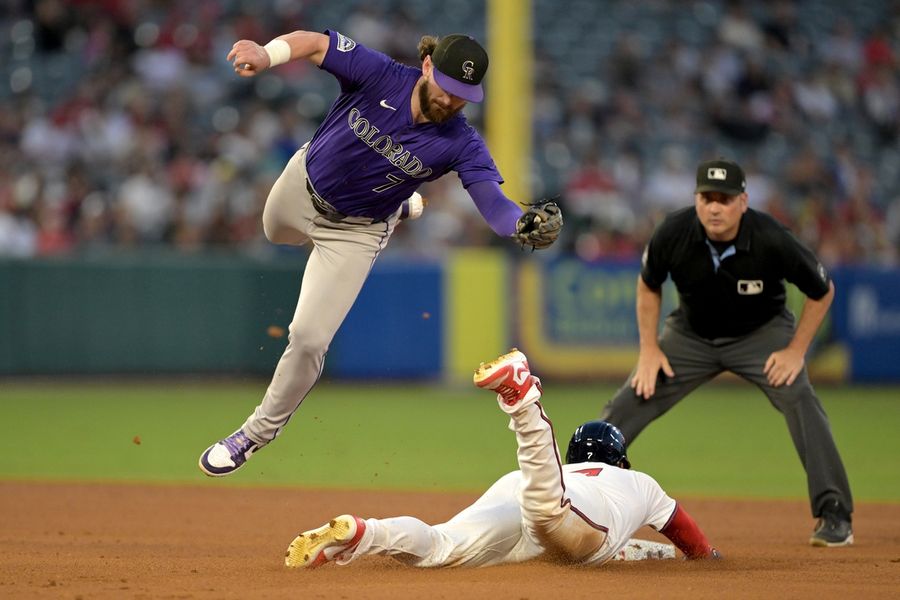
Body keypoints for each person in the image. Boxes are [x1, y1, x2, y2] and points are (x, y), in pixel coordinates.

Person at [198, 30, 562, 476]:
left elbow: (493, 203)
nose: (452, 102)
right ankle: (404, 202)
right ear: (427, 67)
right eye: (448, 89)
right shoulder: (382, 75)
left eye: (464, 96)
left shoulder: (461, 141)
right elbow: (314, 43)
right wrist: (266, 55)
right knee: (274, 234)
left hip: (356, 232)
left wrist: (519, 225)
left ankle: (255, 433)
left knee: (309, 338)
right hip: (302, 186)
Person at [600, 158, 853, 547]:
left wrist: (796, 350)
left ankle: (834, 512)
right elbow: (648, 284)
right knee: (634, 396)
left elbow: (822, 290)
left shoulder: (770, 237)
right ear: (696, 200)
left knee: (800, 397)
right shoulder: (674, 231)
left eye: (725, 198)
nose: (715, 207)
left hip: (762, 335)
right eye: (707, 198)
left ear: (743, 202)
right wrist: (649, 349)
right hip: (690, 336)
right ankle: (574, 497)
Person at [284, 349, 720, 569]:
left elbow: (635, 548)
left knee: (439, 545)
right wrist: (705, 558)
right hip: (564, 506)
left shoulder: (569, 470)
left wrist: (662, 557)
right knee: (550, 511)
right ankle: (523, 399)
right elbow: (691, 540)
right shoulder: (638, 482)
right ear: (620, 460)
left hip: (522, 490)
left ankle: (364, 533)